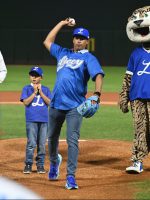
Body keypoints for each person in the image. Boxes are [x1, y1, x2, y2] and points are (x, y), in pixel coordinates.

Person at [43, 18, 104, 189]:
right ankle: (54, 162)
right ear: (73, 39)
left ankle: (70, 177)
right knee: (52, 138)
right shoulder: (62, 52)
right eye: (76, 37)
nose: (79, 40)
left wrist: (97, 94)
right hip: (55, 103)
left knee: (72, 141)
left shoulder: (89, 58)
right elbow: (47, 41)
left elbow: (98, 75)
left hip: (74, 106)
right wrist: (62, 24)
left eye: (82, 38)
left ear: (87, 41)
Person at [119, 6, 150, 174]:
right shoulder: (136, 53)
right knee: (139, 129)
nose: (144, 33)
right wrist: (124, 97)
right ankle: (137, 161)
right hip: (137, 98)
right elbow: (128, 78)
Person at [20, 66, 51, 174]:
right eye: (32, 75)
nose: (34, 77)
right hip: (31, 119)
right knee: (31, 144)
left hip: (44, 120)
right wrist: (34, 92)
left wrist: (41, 92)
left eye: (36, 75)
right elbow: (26, 102)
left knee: (42, 144)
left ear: (41, 77)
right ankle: (28, 164)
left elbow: (50, 103)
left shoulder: (46, 89)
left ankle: (40, 165)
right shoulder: (26, 88)